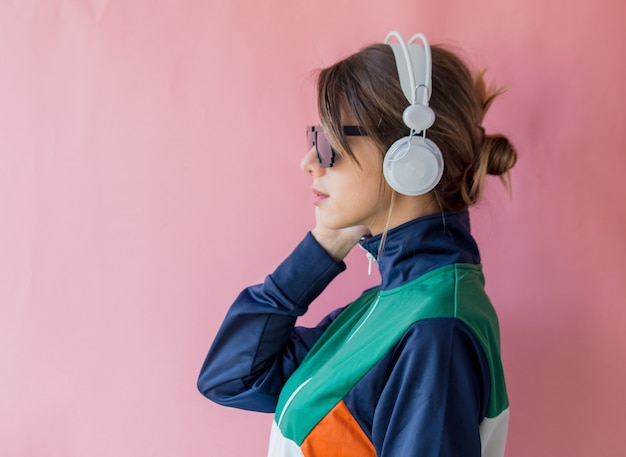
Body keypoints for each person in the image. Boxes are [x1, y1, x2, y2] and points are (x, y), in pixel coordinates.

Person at [198, 30, 517, 457]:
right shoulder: (388, 307)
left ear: (410, 157)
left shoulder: (435, 332)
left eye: (329, 143)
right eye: (315, 138)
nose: (309, 162)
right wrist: (325, 245)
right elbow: (231, 377)